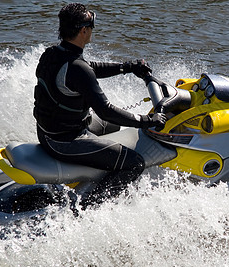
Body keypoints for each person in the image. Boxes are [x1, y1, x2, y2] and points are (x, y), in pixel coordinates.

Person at [33, 3, 166, 209]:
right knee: (134, 163)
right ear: (83, 30)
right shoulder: (77, 68)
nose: (93, 30)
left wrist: (127, 67)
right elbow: (105, 110)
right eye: (92, 25)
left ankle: (95, 171)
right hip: (64, 141)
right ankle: (89, 209)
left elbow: (88, 69)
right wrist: (146, 121)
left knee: (112, 127)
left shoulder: (52, 54)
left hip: (50, 132)